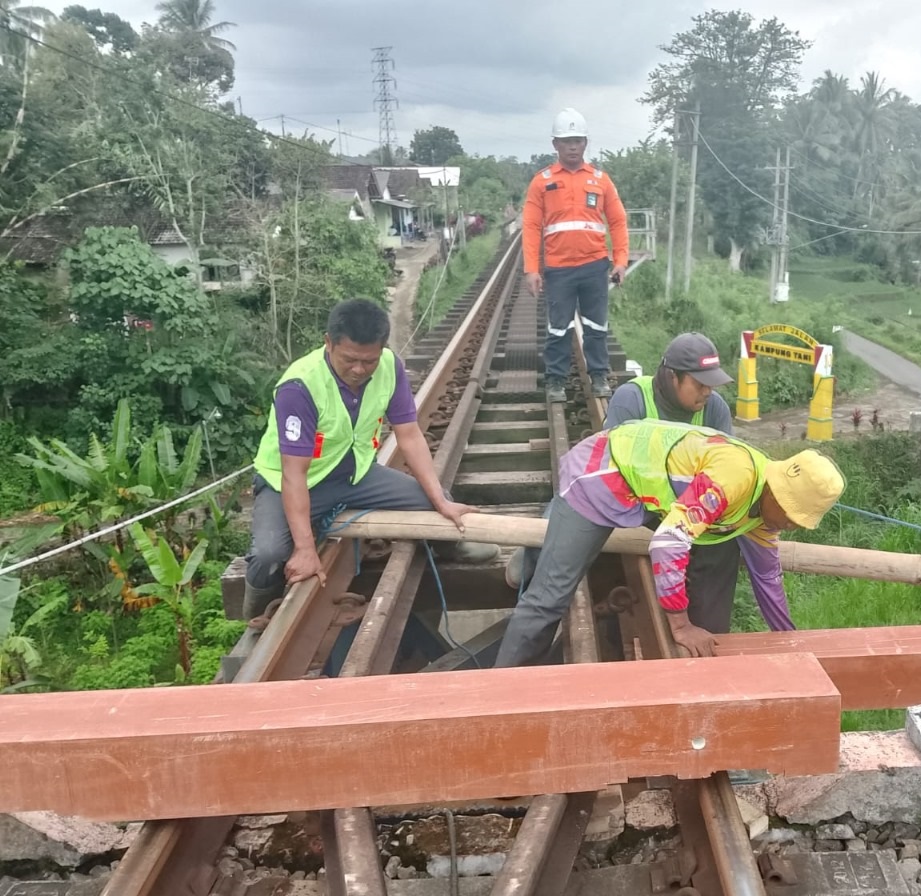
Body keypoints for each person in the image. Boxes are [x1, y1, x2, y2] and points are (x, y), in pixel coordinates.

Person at [491, 421, 847, 668]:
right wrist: (680, 626)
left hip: (650, 498)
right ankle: (500, 695)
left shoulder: (763, 515)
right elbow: (667, 543)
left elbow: (768, 579)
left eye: (798, 520)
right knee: (551, 597)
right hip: (603, 472)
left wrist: (791, 643)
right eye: (788, 512)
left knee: (707, 551)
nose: (788, 523)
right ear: (775, 488)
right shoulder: (735, 477)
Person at [242, 298, 496, 621]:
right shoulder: (300, 386)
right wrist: (305, 548)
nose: (359, 370)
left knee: (438, 501)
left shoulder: (390, 366)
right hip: (290, 484)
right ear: (328, 343)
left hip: (355, 475)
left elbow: (409, 434)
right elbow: (294, 473)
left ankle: (450, 546)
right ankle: (256, 616)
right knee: (268, 555)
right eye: (349, 360)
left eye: (369, 361)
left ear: (382, 349)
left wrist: (440, 500)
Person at [506, 332, 743, 630]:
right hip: (628, 497)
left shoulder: (715, 409)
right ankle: (532, 557)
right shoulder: (633, 398)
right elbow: (616, 473)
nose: (707, 392)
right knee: (571, 501)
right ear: (672, 377)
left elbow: (725, 471)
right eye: (699, 384)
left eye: (711, 384)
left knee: (727, 536)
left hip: (679, 507)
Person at [522, 107, 629, 403]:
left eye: (578, 140)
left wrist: (620, 261)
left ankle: (598, 375)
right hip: (558, 269)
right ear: (555, 144)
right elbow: (530, 226)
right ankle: (555, 381)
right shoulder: (541, 181)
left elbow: (618, 221)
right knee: (558, 328)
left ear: (585, 143)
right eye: (566, 140)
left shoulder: (600, 180)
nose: (572, 146)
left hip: (595, 266)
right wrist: (532, 269)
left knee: (596, 326)